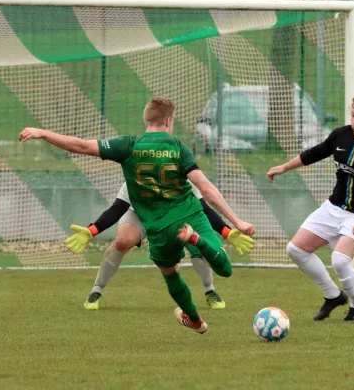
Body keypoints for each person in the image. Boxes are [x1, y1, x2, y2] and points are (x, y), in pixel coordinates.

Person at [19, 96, 255, 334]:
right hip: (189, 216)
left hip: (159, 229)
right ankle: (197, 241)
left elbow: (80, 146)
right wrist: (236, 222)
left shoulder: (128, 146)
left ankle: (195, 320)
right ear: (168, 120)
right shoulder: (178, 148)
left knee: (170, 272)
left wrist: (43, 132)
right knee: (225, 269)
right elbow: (206, 189)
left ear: (146, 120)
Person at [267, 93, 354, 323]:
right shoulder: (341, 135)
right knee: (295, 250)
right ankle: (333, 295)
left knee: (339, 260)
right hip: (333, 207)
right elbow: (315, 152)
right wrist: (285, 167)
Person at [64, 181, 255, 310]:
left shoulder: (181, 174)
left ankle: (209, 290)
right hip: (141, 214)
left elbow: (204, 209)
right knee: (122, 241)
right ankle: (96, 291)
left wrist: (228, 232)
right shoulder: (135, 175)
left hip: (175, 215)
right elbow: (117, 209)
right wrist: (92, 231)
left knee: (197, 244)